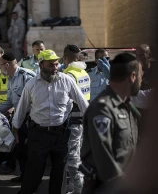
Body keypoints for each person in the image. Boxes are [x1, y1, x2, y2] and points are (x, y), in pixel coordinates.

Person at [12, 49, 88, 194]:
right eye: (50, 65)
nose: (55, 68)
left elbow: (83, 104)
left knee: (59, 173)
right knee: (34, 171)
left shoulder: (66, 80)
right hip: (39, 135)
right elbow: (22, 108)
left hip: (61, 134)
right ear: (41, 65)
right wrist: (15, 129)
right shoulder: (32, 84)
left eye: (56, 64)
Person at [80, 53, 142, 193]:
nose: (141, 80)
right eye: (141, 75)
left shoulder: (126, 106)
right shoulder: (103, 108)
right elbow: (103, 157)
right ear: (132, 77)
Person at [0, 53, 36, 182]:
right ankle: (25, 176)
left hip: (31, 119)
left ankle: (32, 179)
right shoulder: (11, 78)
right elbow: (10, 101)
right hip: (18, 118)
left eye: (0, 64)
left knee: (30, 150)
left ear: (7, 65)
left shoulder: (26, 76)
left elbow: (35, 99)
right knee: (20, 149)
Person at [62, 44, 90, 194]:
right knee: (78, 155)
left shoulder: (69, 75)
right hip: (82, 121)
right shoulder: (83, 73)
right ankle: (74, 185)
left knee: (72, 158)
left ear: (65, 57)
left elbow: (66, 103)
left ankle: (79, 188)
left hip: (73, 122)